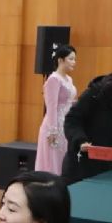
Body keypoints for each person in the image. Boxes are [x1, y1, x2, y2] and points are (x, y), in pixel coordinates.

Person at [35, 45, 77, 175]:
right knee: (53, 162)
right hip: (55, 126)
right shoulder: (53, 79)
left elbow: (69, 102)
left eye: (75, 59)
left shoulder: (69, 79)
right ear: (60, 60)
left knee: (63, 160)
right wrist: (53, 131)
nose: (74, 62)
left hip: (65, 125)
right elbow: (51, 106)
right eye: (71, 59)